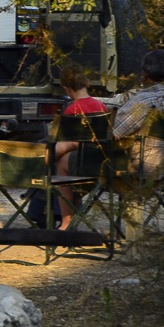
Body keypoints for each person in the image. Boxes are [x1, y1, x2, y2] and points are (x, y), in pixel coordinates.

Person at [105, 49, 164, 179]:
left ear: (145, 74)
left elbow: (112, 132)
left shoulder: (144, 100)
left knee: (71, 159)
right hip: (162, 173)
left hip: (132, 173)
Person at [51, 68, 106, 230]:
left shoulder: (71, 110)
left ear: (66, 88)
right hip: (99, 160)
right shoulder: (101, 106)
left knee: (60, 161)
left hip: (80, 164)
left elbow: (65, 142)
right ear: (88, 83)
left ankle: (67, 220)